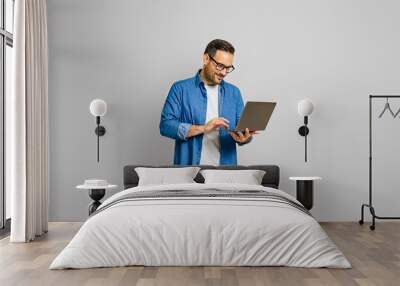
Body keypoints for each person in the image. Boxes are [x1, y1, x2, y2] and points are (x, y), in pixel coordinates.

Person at [159, 39, 256, 165]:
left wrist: (244, 138)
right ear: (206, 59)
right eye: (220, 66)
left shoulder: (234, 93)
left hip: (224, 173)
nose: (224, 72)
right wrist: (204, 128)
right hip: (189, 172)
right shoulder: (180, 89)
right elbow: (166, 126)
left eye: (228, 68)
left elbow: (240, 129)